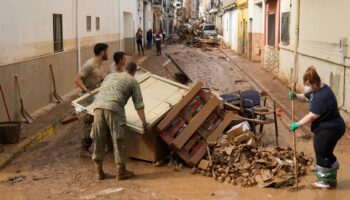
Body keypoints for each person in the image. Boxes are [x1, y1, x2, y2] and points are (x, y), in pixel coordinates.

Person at [288, 66, 345, 189]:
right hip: (331, 126)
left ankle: (324, 181)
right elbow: (305, 97)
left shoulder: (322, 96)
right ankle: (331, 172)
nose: (308, 87)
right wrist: (295, 96)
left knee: (321, 151)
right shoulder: (317, 89)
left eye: (309, 85)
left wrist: (298, 124)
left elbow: (312, 116)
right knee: (326, 151)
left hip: (330, 129)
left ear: (314, 82)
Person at [91, 62, 149, 180]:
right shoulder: (133, 81)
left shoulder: (110, 76)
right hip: (114, 108)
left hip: (97, 107)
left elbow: (101, 92)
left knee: (99, 138)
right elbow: (139, 105)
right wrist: (144, 123)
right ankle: (121, 172)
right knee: (118, 139)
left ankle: (98, 172)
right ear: (134, 71)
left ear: (124, 68)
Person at [74, 43, 109, 158]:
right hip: (88, 99)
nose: (107, 53)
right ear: (102, 52)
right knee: (89, 123)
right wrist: (86, 90)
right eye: (106, 51)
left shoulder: (100, 64)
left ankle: (102, 146)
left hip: (97, 97)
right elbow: (77, 79)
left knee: (100, 121)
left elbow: (100, 78)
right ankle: (84, 149)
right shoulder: (89, 65)